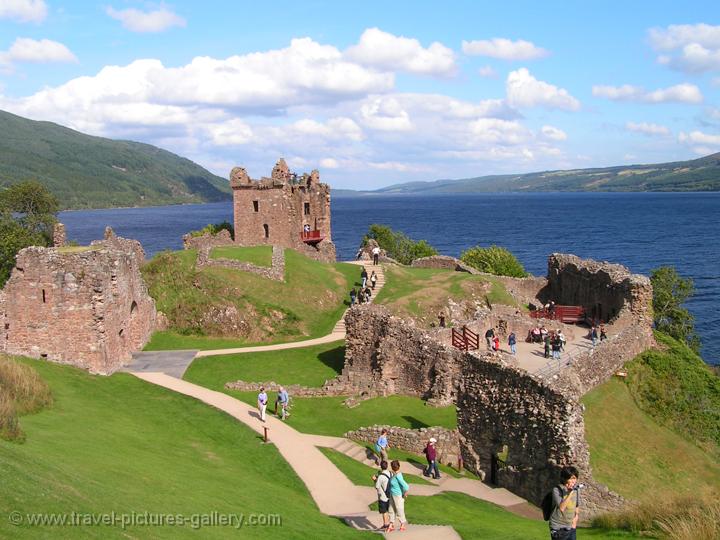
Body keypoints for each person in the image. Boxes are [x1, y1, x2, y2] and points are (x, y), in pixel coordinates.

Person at [549, 466, 581, 540]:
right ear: (564, 479)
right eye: (571, 478)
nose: (573, 481)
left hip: (571, 526)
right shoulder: (557, 490)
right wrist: (570, 493)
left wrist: (575, 520)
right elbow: (561, 508)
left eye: (575, 478)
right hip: (558, 527)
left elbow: (576, 505)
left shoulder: (577, 490)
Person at [388, 460, 409, 532]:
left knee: (399, 509)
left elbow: (406, 486)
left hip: (398, 496)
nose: (393, 467)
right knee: (391, 509)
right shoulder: (394, 474)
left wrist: (405, 492)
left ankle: (402, 523)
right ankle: (391, 524)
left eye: (394, 466)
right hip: (392, 494)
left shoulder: (398, 476)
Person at [372, 461, 392, 531]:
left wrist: (374, 480)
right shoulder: (390, 473)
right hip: (390, 495)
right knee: (389, 510)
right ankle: (390, 523)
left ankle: (386, 524)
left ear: (381, 467)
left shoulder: (380, 476)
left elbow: (377, 486)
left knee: (384, 511)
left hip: (383, 496)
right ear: (387, 466)